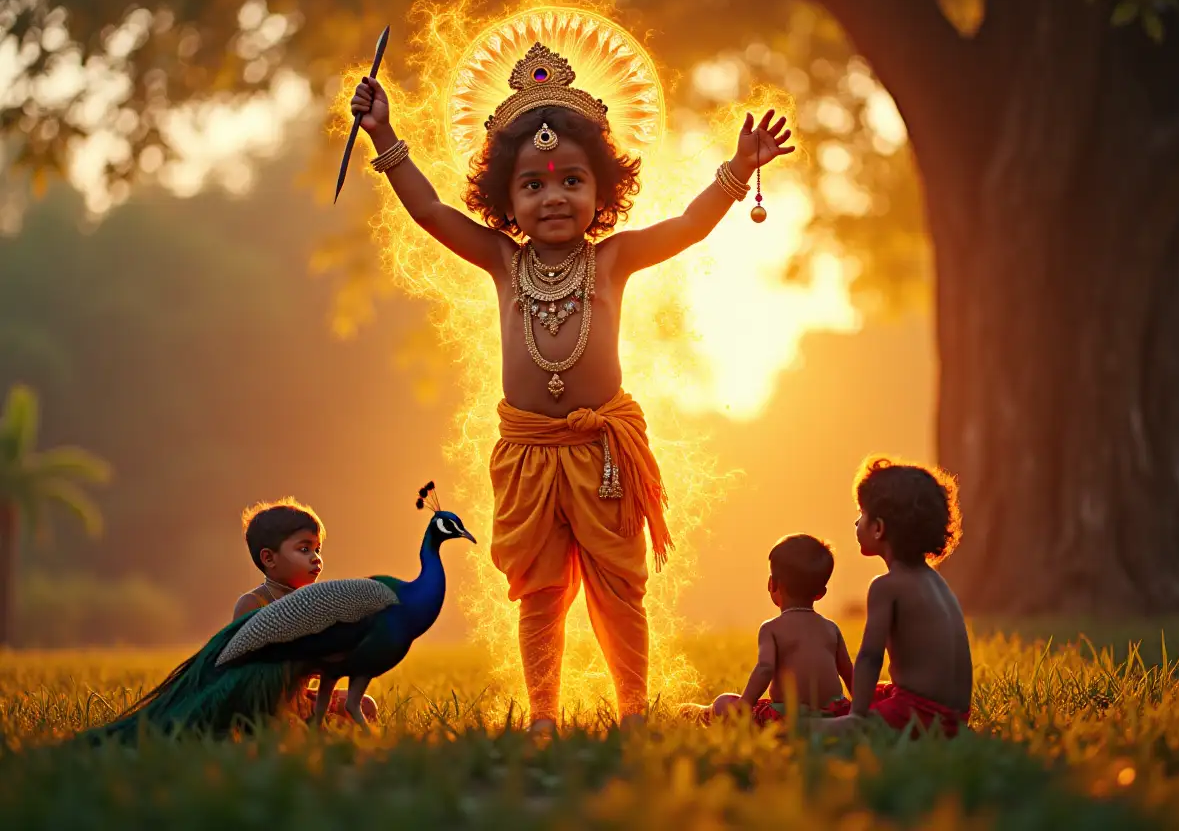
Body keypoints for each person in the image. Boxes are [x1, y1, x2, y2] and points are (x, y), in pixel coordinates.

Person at [349, 41, 794, 732]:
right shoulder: (502, 260)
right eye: (532, 185)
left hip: (604, 453)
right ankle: (544, 715)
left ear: (601, 190)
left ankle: (635, 712)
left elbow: (687, 226)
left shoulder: (613, 260)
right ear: (506, 198)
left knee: (620, 588)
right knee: (541, 592)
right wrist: (383, 133)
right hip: (527, 455)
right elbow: (433, 212)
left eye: (570, 182)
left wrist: (738, 170)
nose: (552, 197)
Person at [817, 456, 971, 738]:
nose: (856, 521)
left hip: (919, 715)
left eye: (861, 513)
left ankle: (851, 720)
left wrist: (858, 715)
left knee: (811, 724)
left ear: (878, 528)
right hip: (954, 715)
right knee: (870, 693)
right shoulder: (937, 582)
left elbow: (870, 657)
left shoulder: (886, 586)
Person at [680, 534, 853, 728]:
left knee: (724, 703)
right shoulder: (831, 628)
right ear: (821, 593)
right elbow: (849, 673)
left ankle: (705, 712)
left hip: (787, 717)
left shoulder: (771, 628)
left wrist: (745, 703)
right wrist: (862, 706)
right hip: (836, 713)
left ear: (772, 584)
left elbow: (765, 668)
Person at [233, 498, 377, 723]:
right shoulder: (253, 603)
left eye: (317, 549)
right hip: (264, 704)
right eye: (304, 549)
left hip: (302, 700)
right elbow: (245, 668)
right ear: (269, 558)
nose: (316, 558)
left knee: (365, 705)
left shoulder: (314, 604)